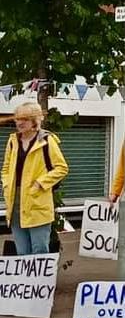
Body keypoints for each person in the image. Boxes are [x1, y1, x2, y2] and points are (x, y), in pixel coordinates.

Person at [1, 102, 69, 255]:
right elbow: (5, 168)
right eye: (18, 119)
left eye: (24, 119)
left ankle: (40, 280)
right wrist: (6, 184)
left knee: (39, 251)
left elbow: (62, 168)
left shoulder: (47, 141)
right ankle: (26, 280)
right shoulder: (13, 141)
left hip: (37, 203)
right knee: (22, 253)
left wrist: (41, 183)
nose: (19, 122)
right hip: (15, 203)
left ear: (34, 121)